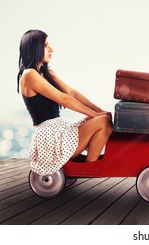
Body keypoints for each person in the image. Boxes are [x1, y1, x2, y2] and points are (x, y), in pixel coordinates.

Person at [17, 29, 113, 176]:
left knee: (103, 119)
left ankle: (90, 167)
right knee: (103, 121)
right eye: (46, 45)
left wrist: (98, 110)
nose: (51, 49)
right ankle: (89, 170)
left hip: (60, 130)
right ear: (34, 47)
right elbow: (64, 99)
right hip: (50, 138)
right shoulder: (29, 75)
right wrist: (95, 115)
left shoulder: (47, 72)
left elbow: (71, 92)